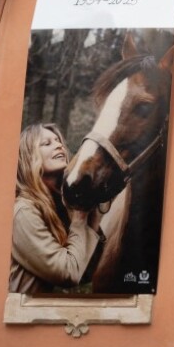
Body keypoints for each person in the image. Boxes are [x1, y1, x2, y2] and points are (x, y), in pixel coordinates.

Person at [9, 123, 103, 294]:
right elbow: (67, 273)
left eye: (58, 141)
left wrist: (94, 213)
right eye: (47, 143)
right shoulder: (23, 211)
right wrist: (80, 219)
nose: (59, 145)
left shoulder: (62, 203)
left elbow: (87, 272)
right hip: (25, 314)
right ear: (29, 157)